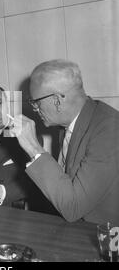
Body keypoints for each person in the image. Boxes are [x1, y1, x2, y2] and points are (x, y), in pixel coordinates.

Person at [9, 59, 119, 224]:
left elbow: (73, 207)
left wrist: (33, 147)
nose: (35, 109)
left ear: (57, 100)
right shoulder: (70, 125)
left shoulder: (109, 130)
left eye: (36, 102)